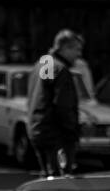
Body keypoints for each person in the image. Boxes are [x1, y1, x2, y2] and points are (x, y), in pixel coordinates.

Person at [28, 29, 82, 177]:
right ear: (65, 48)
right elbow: (63, 106)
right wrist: (72, 132)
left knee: (47, 177)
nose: (79, 55)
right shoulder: (60, 69)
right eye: (76, 49)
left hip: (38, 130)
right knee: (59, 181)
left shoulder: (43, 63)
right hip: (56, 136)